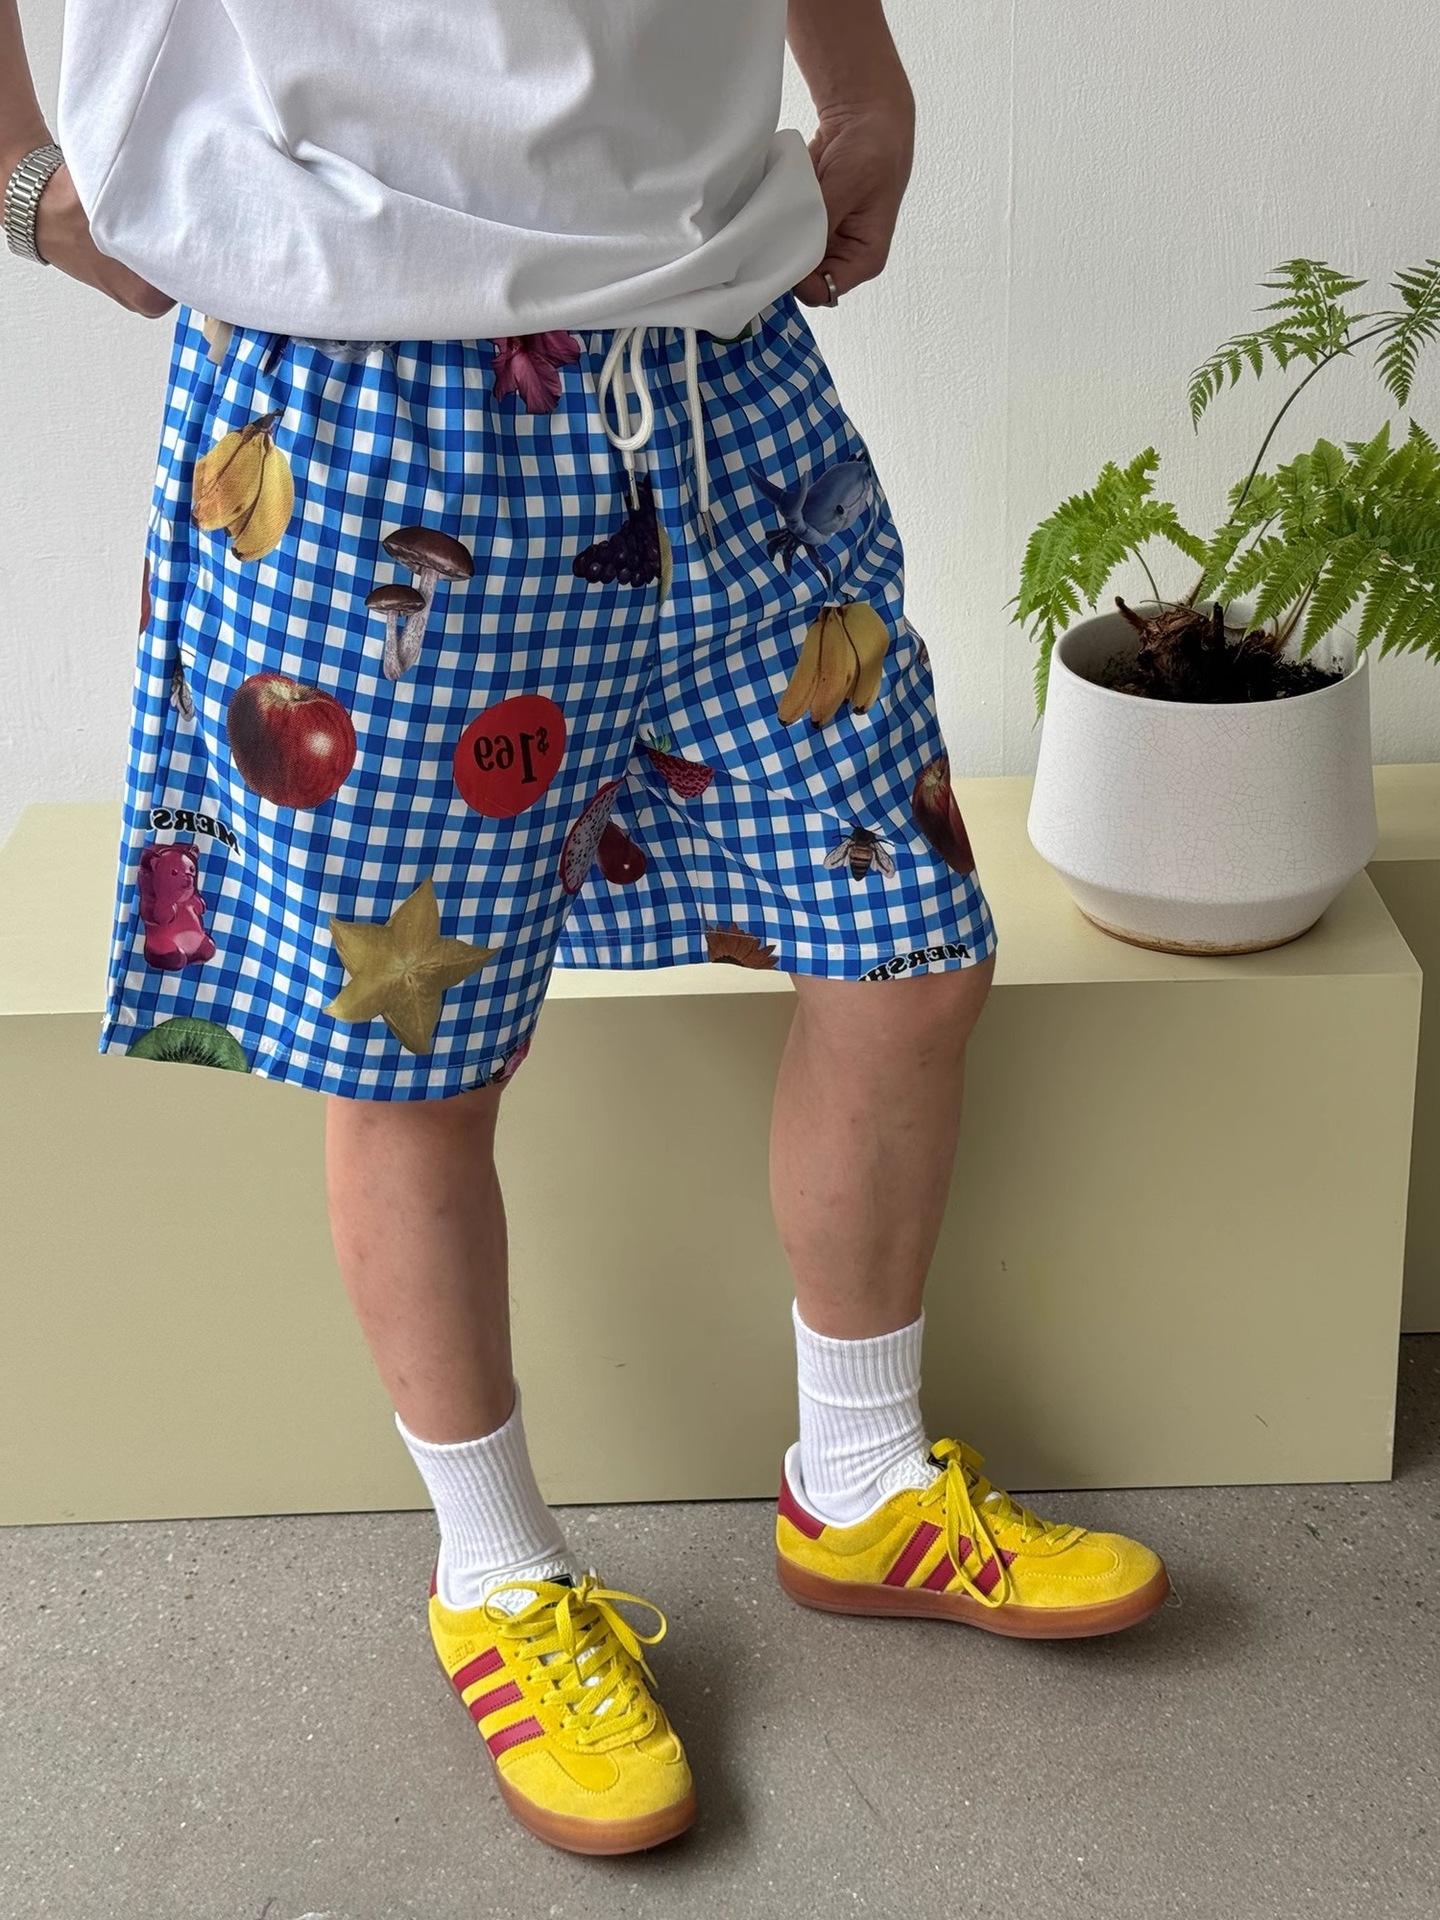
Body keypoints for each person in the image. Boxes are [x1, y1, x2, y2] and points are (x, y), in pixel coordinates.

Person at [3, 0, 1169, 1859]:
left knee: (905, 952)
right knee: (416, 1053)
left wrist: (864, 79)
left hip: (720, 369)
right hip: (364, 407)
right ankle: (493, 1574)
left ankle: (862, 1476)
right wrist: (19, 175)